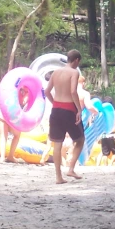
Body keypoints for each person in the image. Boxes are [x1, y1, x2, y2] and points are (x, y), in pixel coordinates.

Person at [45, 50, 85, 184]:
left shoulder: (55, 72)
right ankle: (71, 168)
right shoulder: (74, 72)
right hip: (69, 109)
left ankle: (58, 177)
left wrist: (54, 103)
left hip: (56, 109)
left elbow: (46, 91)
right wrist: (78, 109)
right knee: (80, 139)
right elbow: (73, 91)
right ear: (76, 60)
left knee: (57, 143)